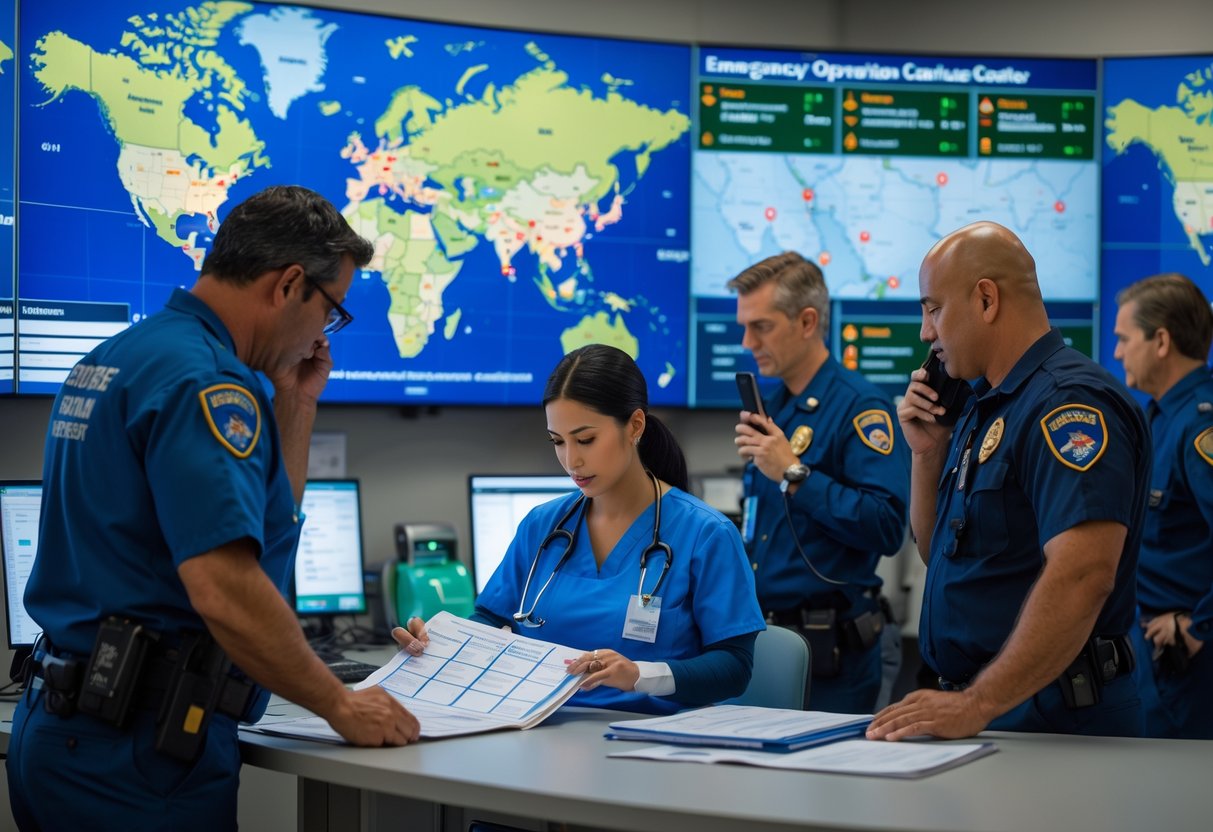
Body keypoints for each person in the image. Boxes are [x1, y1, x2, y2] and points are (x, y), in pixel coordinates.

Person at [7, 185, 421, 831]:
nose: (323, 333)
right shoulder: (205, 381)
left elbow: (256, 525)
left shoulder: (125, 355)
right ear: (289, 285)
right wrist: (340, 705)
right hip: (134, 756)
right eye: (331, 310)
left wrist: (295, 404)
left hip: (70, 731)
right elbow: (224, 588)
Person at [868, 221, 1149, 741]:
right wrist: (927, 454)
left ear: (986, 299)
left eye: (933, 309)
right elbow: (938, 553)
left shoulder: (1068, 404)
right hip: (994, 708)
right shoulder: (984, 407)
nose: (925, 333)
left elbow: (1085, 575)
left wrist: (977, 703)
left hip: (1051, 718)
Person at [398, 344, 766, 714]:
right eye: (558, 441)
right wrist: (437, 643)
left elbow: (734, 668)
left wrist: (641, 675)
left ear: (635, 426)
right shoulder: (542, 526)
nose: (571, 460)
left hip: (650, 736)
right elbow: (488, 622)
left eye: (586, 439)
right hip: (536, 732)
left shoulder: (706, 534)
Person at [729, 251, 909, 714]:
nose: (748, 342)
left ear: (807, 321)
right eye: (744, 326)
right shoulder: (775, 408)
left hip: (834, 654)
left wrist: (794, 474)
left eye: (761, 326)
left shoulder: (861, 407)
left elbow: (887, 525)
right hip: (764, 643)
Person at [1113, 273, 1213, 739]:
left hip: (1187, 659)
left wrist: (1201, 628)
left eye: (1124, 339)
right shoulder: (1156, 418)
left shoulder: (1199, 429)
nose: (1117, 353)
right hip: (1151, 651)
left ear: (1161, 341)